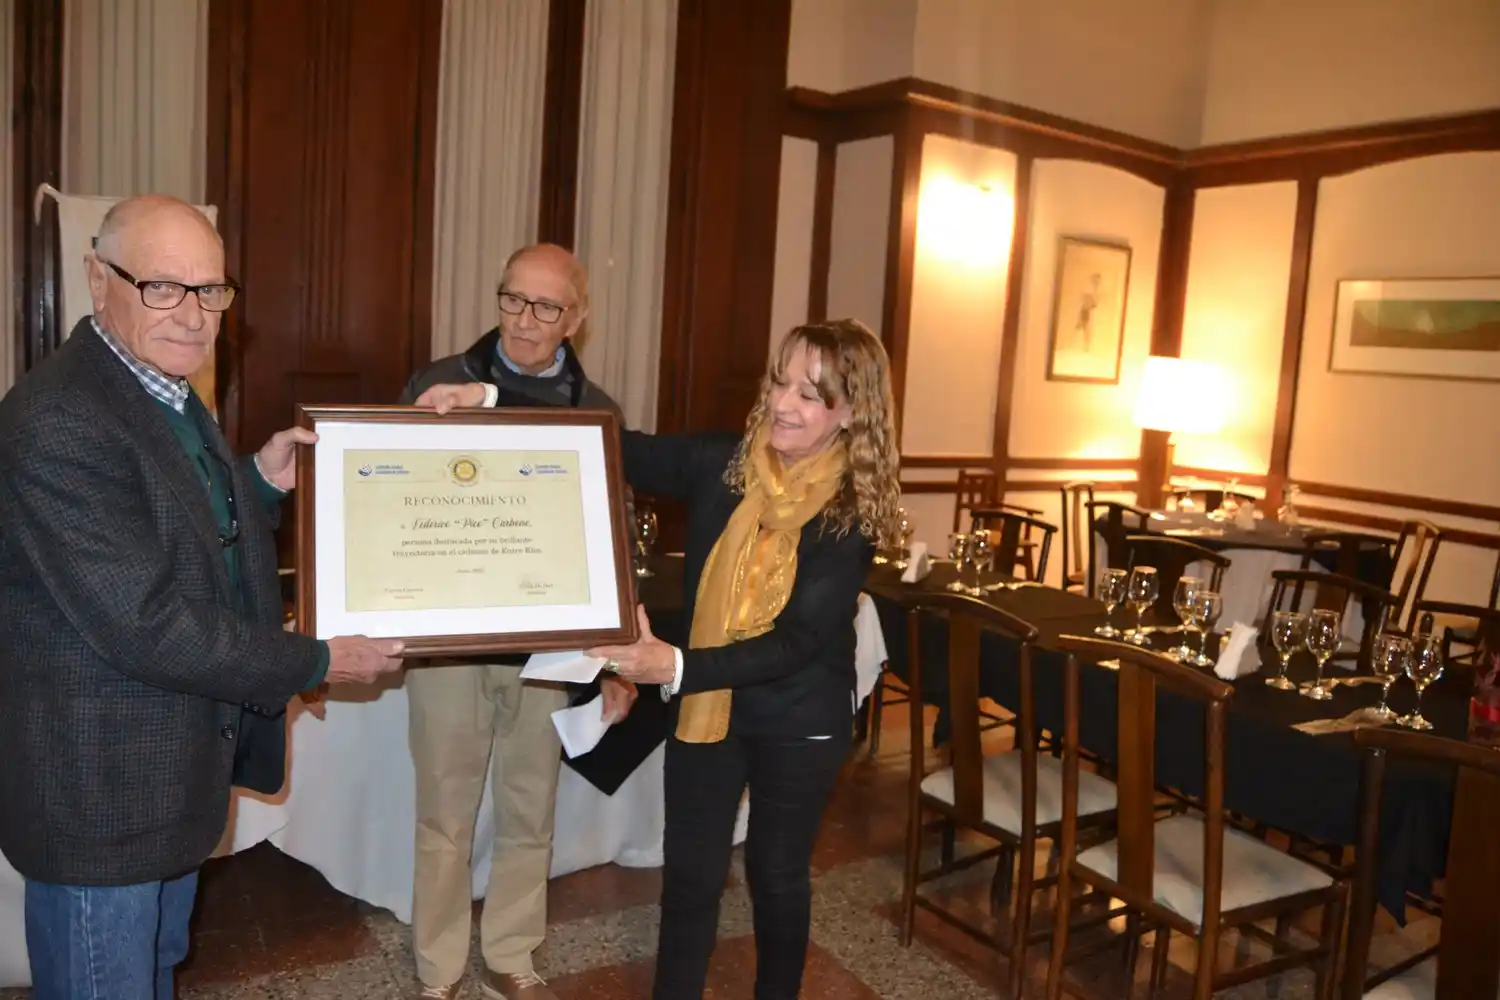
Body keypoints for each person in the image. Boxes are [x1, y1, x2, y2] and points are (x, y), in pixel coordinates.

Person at [421, 318, 902, 998]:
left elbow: (797, 644)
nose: (784, 404)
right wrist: (492, 402)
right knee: (690, 879)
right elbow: (609, 444)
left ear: (851, 413)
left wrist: (672, 668)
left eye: (812, 394)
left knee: (776, 874)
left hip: (799, 720)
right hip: (711, 711)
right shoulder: (726, 463)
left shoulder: (850, 515)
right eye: (779, 381)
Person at [0, 194, 406, 1000]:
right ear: (96, 278)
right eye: (163, 287)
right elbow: (145, 622)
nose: (192, 315)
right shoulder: (58, 418)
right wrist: (317, 658)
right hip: (102, 796)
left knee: (151, 975)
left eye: (210, 290)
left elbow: (164, 528)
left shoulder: (162, 387)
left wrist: (255, 480)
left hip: (165, 775)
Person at [402, 243, 638, 1000]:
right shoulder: (438, 385)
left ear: (577, 318)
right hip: (448, 645)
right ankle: (437, 968)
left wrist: (614, 652)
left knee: (529, 809)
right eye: (512, 299)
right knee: (444, 811)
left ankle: (511, 951)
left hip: (549, 649)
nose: (523, 321)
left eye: (545, 307)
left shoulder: (597, 408)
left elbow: (609, 531)